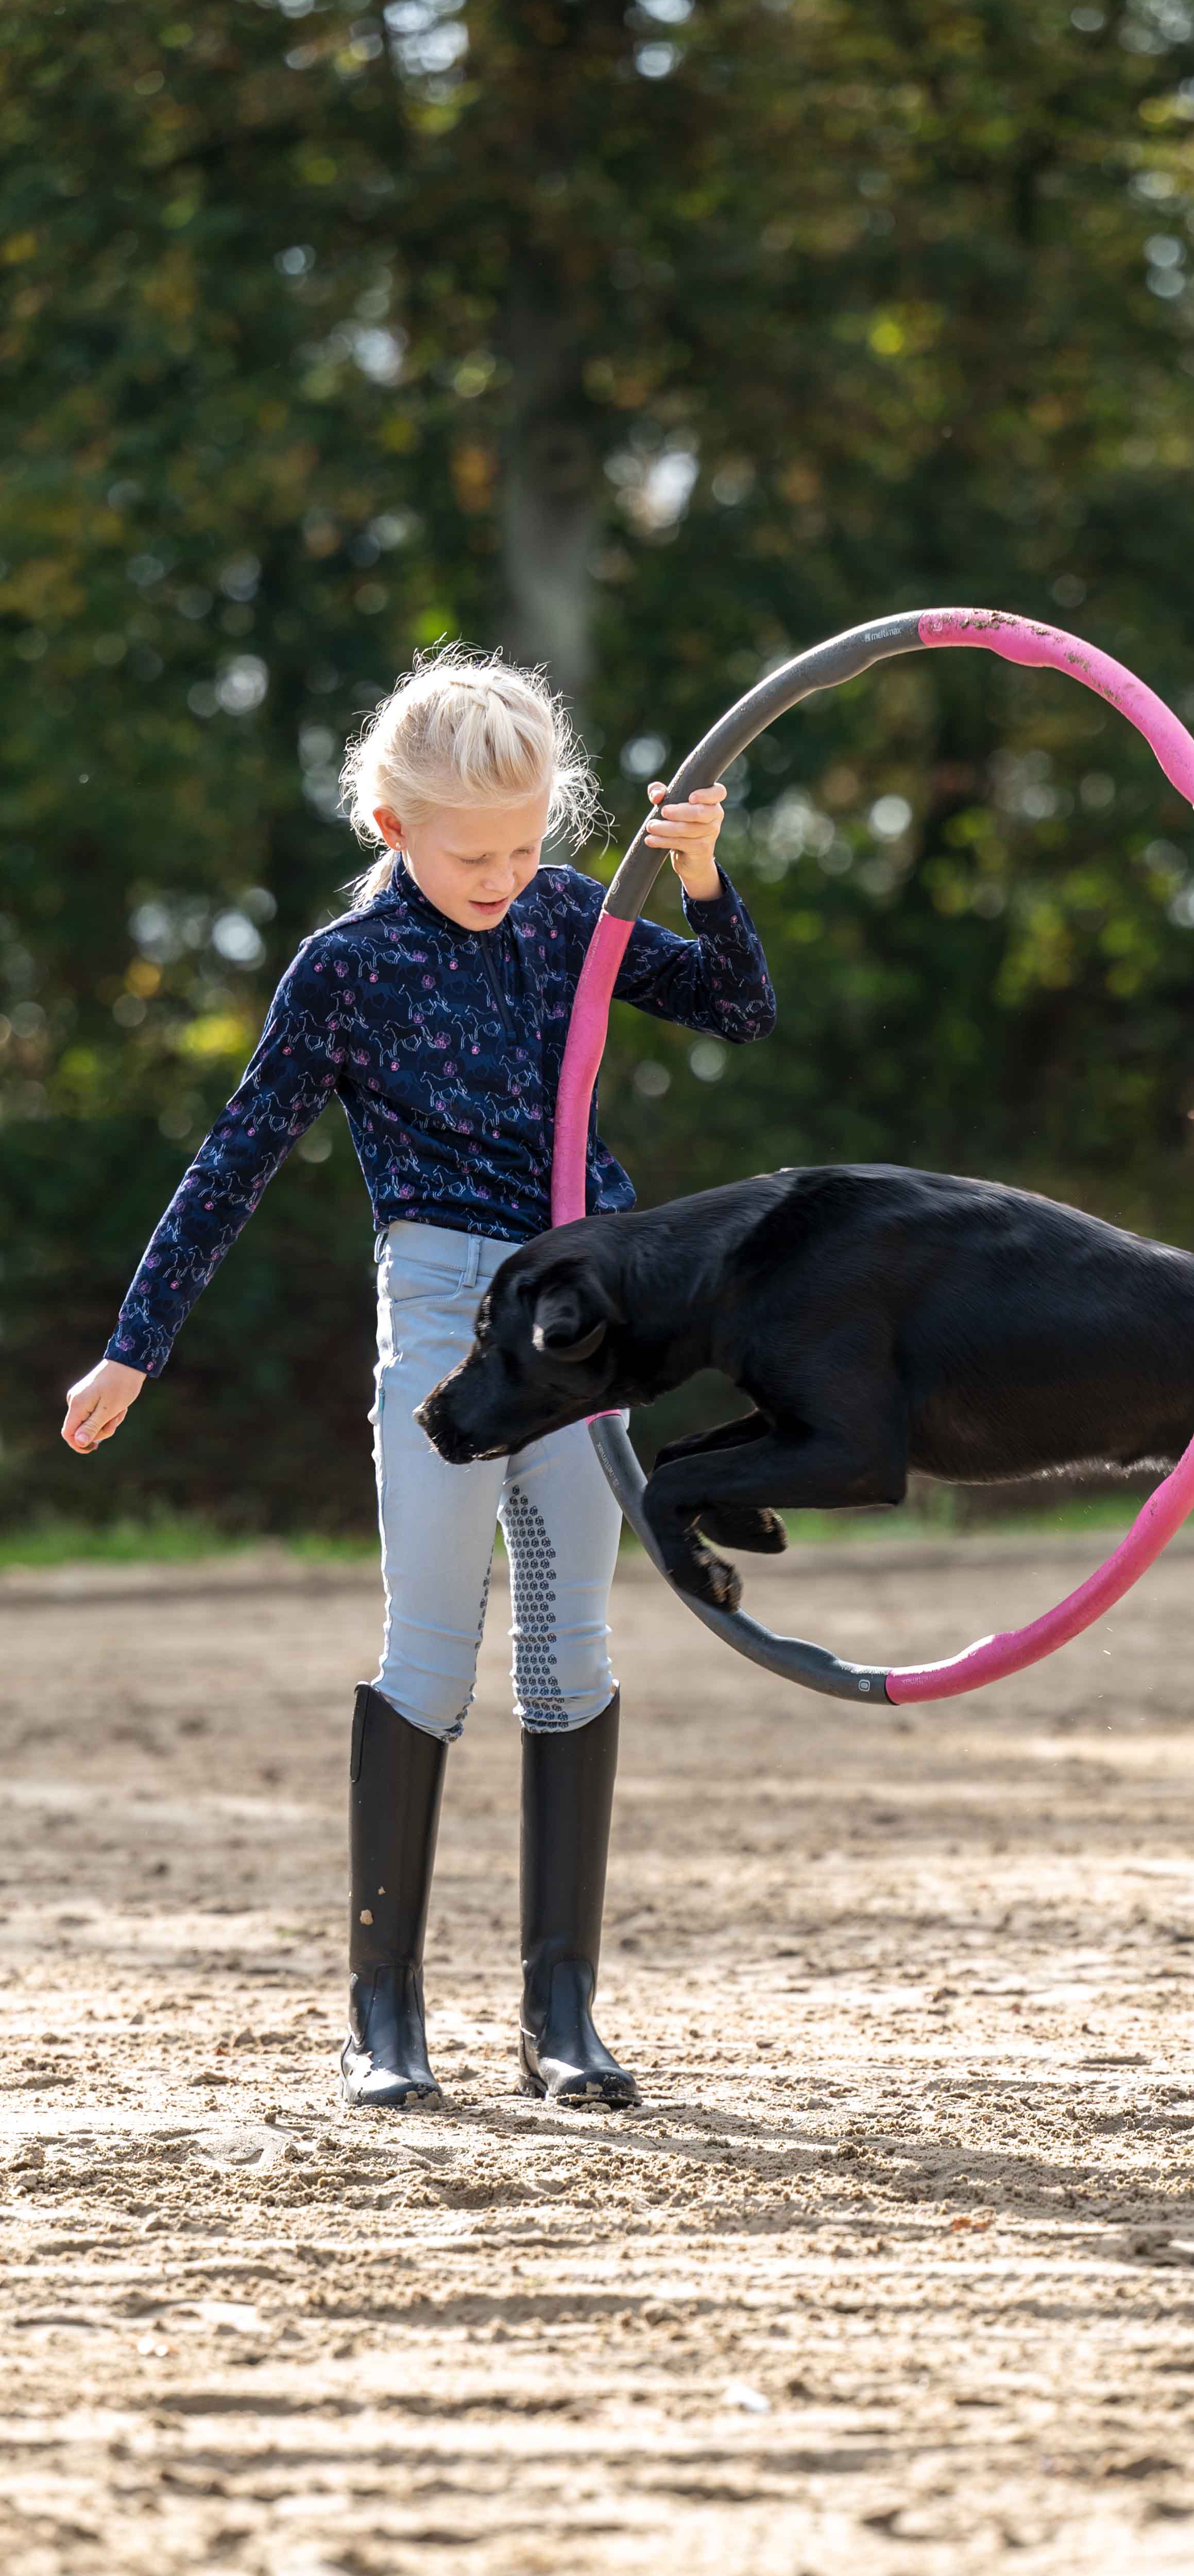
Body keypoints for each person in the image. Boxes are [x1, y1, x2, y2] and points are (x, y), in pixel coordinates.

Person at [60, 647, 775, 2111]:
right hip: (448, 1301)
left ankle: (560, 2015)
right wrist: (138, 1342)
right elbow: (234, 1159)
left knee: (571, 1643)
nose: (507, 873)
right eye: (474, 852)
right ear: (392, 827)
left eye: (528, 845)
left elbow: (736, 1009)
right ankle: (382, 2015)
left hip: (586, 1299)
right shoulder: (347, 970)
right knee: (433, 1642)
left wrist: (705, 881)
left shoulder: (572, 914)